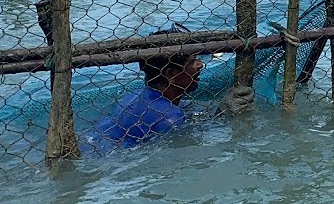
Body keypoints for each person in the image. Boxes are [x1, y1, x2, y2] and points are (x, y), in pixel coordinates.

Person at [84, 27, 256, 153]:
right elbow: (184, 147)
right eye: (192, 61)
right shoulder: (171, 117)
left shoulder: (135, 95)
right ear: (171, 74)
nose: (200, 64)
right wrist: (224, 116)